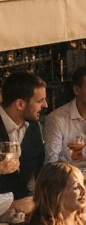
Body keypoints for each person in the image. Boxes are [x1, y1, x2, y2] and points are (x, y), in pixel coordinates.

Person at [0, 71, 47, 199]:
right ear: (20, 104)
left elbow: (38, 165)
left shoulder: (32, 125)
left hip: (24, 204)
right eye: (40, 101)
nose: (45, 105)